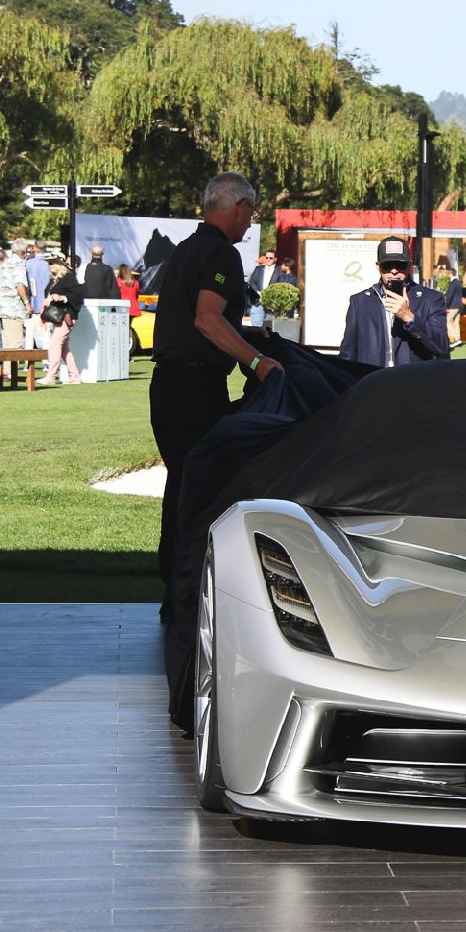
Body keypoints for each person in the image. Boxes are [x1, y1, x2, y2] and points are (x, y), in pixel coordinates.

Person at [150, 171, 277, 618]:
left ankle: (177, 591)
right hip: (194, 387)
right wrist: (257, 361)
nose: (249, 223)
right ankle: (186, 596)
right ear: (237, 205)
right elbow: (207, 320)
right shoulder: (221, 252)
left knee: (182, 484)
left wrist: (250, 338)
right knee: (202, 490)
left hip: (167, 386)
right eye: (250, 211)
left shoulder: (186, 249)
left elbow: (198, 320)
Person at [339, 236, 450, 367]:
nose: (394, 271)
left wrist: (409, 318)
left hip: (412, 383)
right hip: (372, 382)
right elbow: (348, 353)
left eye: (400, 265)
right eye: (387, 265)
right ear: (378, 267)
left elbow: (440, 347)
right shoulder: (360, 302)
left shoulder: (431, 299)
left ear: (409, 265)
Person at [0, 245, 31, 382]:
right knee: (14, 342)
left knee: (4, 340)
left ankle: (2, 369)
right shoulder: (18, 264)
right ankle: (9, 372)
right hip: (13, 308)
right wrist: (27, 302)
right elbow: (20, 285)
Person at [40, 256, 84, 385]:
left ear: (60, 266)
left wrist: (63, 298)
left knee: (54, 344)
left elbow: (79, 294)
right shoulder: (55, 280)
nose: (50, 266)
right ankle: (74, 376)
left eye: (52, 263)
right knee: (64, 348)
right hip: (58, 318)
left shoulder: (69, 278)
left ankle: (51, 376)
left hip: (67, 317)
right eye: (49, 264)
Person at [433, 255, 465, 345]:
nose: (446, 274)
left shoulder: (453, 283)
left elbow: (449, 295)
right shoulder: (458, 283)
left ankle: (455, 339)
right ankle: (458, 339)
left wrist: (445, 305)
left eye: (447, 273)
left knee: (447, 321)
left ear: (450, 273)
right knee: (455, 322)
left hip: (453, 306)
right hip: (459, 305)